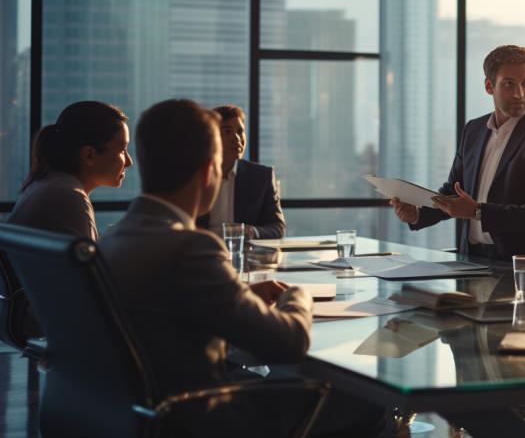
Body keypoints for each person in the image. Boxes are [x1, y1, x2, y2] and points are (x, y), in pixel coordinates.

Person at [99, 99, 384, 436]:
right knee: (368, 401)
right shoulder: (192, 248)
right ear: (209, 172)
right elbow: (287, 342)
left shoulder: (111, 241)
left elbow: (171, 308)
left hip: (131, 416)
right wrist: (298, 297)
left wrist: (242, 294)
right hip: (202, 418)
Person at [390, 45, 525, 270]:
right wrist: (418, 214)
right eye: (508, 84)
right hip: (473, 260)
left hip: (524, 268)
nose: (519, 94)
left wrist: (478, 212)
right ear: (488, 86)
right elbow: (453, 192)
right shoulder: (474, 130)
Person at [8, 101, 132, 240]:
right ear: (89, 155)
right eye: (122, 150)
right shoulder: (70, 198)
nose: (129, 162)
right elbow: (85, 261)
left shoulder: (49, 186)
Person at [196, 104, 286, 240]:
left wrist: (251, 231)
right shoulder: (195, 174)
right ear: (212, 137)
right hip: (202, 252)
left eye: (240, 131)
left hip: (243, 254)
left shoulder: (261, 176)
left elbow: (277, 227)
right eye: (227, 131)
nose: (237, 139)